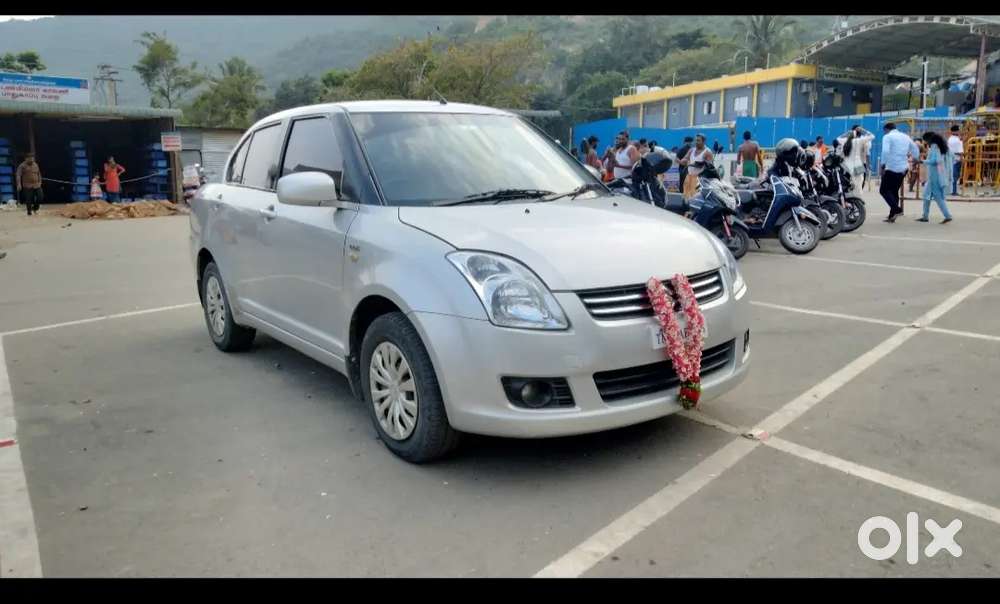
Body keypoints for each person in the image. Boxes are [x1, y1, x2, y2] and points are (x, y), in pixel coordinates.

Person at [879, 122, 918, 223]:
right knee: (893, 191)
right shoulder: (905, 136)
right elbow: (914, 148)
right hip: (903, 168)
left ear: (886, 129)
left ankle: (897, 209)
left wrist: (883, 164)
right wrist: (916, 159)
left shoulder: (887, 137)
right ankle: (892, 215)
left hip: (892, 167)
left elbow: (885, 151)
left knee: (883, 190)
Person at [916, 131, 954, 224]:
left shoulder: (934, 147)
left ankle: (947, 215)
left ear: (929, 139)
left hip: (935, 176)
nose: (926, 143)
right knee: (926, 196)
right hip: (936, 175)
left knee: (938, 197)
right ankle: (925, 216)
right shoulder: (943, 147)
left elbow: (935, 160)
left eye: (926, 141)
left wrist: (922, 162)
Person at [837, 124, 874, 193]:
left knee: (848, 181)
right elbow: (867, 153)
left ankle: (849, 196)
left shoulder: (845, 140)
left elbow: (838, 139)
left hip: (847, 164)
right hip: (859, 163)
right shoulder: (861, 140)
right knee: (860, 181)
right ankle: (857, 196)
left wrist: (847, 133)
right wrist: (863, 130)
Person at [679, 133, 713, 199]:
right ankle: (686, 207)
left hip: (699, 179)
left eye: (698, 140)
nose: (696, 142)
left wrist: (700, 165)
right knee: (685, 198)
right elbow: (685, 159)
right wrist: (684, 161)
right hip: (689, 177)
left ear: (703, 141)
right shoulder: (692, 150)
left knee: (695, 199)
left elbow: (710, 167)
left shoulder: (707, 152)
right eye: (696, 140)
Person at [947, 125, 964, 196]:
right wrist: (962, 159)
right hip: (957, 159)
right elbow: (960, 151)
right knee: (956, 176)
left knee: (951, 176)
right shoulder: (958, 140)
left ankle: (951, 190)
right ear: (957, 131)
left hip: (950, 159)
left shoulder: (949, 139)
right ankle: (954, 191)